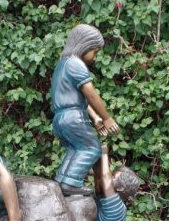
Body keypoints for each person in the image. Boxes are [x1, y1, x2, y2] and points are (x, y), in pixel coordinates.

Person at [51, 24, 120, 196]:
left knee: (76, 148)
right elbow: (91, 94)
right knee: (92, 148)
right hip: (73, 117)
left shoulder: (62, 65)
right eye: (95, 52)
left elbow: (81, 97)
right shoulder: (76, 63)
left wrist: (96, 119)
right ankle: (71, 182)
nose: (95, 57)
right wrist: (107, 118)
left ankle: (62, 180)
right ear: (84, 45)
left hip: (61, 118)